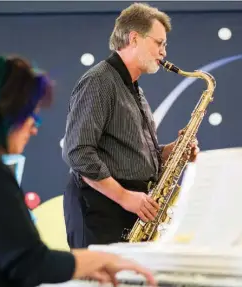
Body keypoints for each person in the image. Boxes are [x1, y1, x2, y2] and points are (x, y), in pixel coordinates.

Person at [0, 55, 157, 287]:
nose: (34, 129)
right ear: (6, 112)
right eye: (32, 116)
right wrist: (106, 259)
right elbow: (30, 263)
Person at [62, 3, 199, 249]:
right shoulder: (99, 81)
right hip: (101, 211)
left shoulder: (134, 88)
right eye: (159, 43)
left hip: (127, 210)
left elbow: (129, 152)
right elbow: (78, 153)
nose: (164, 52)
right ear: (134, 38)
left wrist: (173, 152)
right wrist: (125, 197)